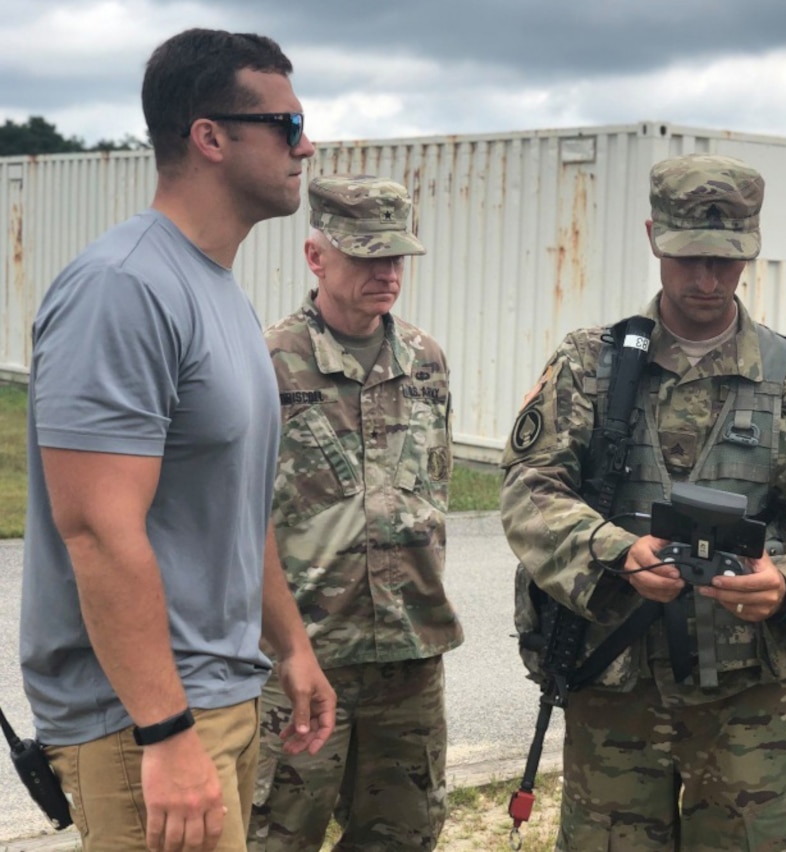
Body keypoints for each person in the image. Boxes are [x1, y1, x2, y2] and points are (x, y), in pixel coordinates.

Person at [501, 153, 786, 850]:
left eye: (726, 260)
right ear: (654, 238)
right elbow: (529, 490)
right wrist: (614, 551)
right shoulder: (593, 364)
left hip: (748, 702)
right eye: (689, 258)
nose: (707, 279)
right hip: (615, 688)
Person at [21, 28, 336, 852]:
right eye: (288, 126)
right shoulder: (121, 289)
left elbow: (232, 503)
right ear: (210, 137)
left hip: (218, 696)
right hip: (143, 720)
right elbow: (96, 530)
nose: (308, 145)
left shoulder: (218, 291)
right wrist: (163, 733)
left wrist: (291, 647)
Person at [248, 175, 463, 850]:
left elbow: (436, 486)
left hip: (409, 655)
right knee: (279, 836)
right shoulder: (269, 362)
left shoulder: (425, 361)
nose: (387, 273)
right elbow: (240, 515)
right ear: (317, 257)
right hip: (306, 657)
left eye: (395, 257)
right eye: (368, 256)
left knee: (403, 836)